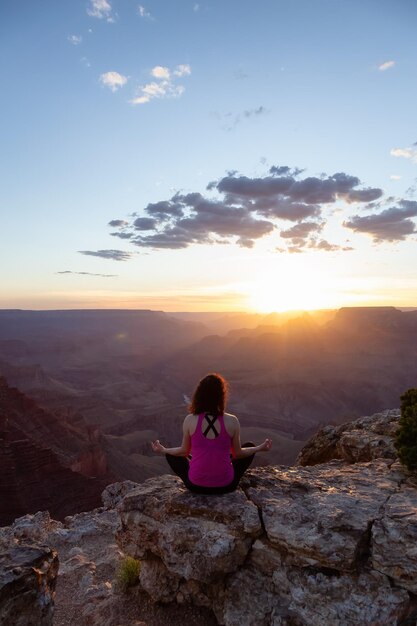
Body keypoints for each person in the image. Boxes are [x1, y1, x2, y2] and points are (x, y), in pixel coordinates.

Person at [151, 373, 272, 494]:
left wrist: (163, 450)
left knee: (171, 454)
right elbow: (238, 454)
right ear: (221, 396)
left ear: (199, 395)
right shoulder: (232, 420)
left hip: (195, 486)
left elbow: (184, 452)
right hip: (226, 486)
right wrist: (259, 448)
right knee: (249, 446)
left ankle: (198, 468)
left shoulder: (190, 419)